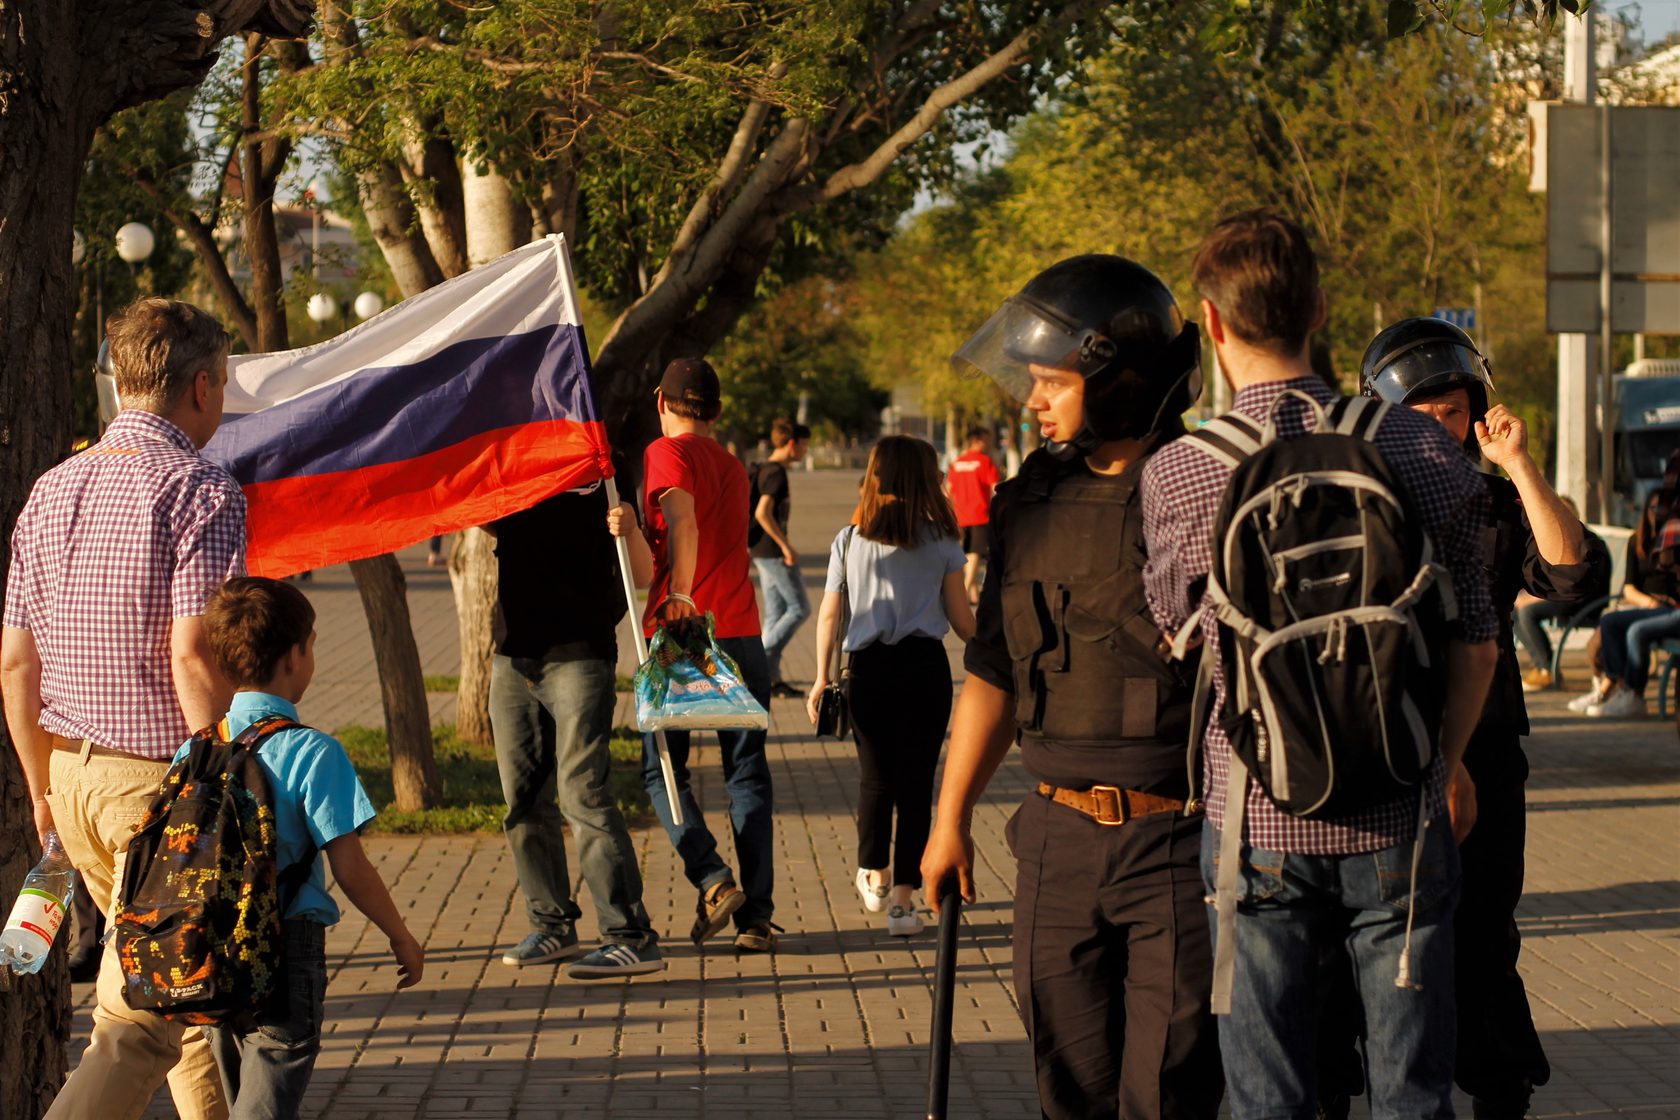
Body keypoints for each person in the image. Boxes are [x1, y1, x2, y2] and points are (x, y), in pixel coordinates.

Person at [1139, 211, 1498, 1119]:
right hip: (1401, 810)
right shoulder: (1419, 445)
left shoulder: (1182, 468)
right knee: (1411, 1093)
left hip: (1255, 813)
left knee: (1267, 1098)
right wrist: (1445, 761)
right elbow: (1480, 637)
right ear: (1322, 310)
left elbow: (1177, 631)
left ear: (1212, 326)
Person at [920, 255, 1221, 1119]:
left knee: (1166, 1091)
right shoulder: (1029, 503)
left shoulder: (1207, 498)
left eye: (1051, 381)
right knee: (1070, 1090)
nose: (1033, 400)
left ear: (1120, 382)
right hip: (1052, 843)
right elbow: (993, 674)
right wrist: (948, 825)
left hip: (1178, 846)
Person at [1349, 316, 1610, 1119]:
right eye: (1419, 412)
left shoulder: (1495, 503)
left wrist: (1521, 465)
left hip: (1487, 752)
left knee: (1483, 933)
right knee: (1364, 933)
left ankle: (1500, 1089)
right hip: (1375, 748)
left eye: (1454, 411)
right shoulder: (1349, 501)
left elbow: (1571, 574)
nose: (1439, 426)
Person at [2, 298, 243, 1120]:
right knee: (139, 1024)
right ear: (202, 387)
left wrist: (42, 786)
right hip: (159, 789)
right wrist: (223, 773)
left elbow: (14, 661)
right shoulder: (201, 488)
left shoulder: (53, 487)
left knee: (175, 996)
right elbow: (193, 651)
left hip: (72, 782)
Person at [188, 577, 423, 1118]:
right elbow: (350, 866)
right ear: (295, 656)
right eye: (313, 644)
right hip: (285, 942)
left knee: (241, 1087)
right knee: (271, 1083)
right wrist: (401, 935)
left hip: (210, 946)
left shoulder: (198, 747)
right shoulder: (314, 751)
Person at [483, 456, 666, 977]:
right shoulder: (510, 466)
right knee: (521, 801)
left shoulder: (600, 469)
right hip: (512, 656)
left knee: (583, 793)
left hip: (580, 656)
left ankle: (630, 935)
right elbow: (481, 517)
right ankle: (552, 924)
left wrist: (628, 528)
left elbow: (643, 573)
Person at [807, 437, 974, 937]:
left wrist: (820, 677)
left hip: (869, 669)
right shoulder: (944, 540)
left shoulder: (849, 539)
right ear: (926, 477)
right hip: (926, 669)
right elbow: (963, 621)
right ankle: (904, 904)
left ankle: (873, 874)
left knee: (875, 779)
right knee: (917, 784)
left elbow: (831, 614)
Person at [637, 357, 778, 952]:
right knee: (746, 774)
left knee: (661, 769)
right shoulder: (734, 467)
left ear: (660, 401)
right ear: (717, 412)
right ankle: (757, 920)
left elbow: (683, 522)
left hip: (687, 630)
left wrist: (680, 594)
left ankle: (714, 879)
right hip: (743, 629)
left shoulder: (665, 454)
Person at [1578, 489, 1680, 719]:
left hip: (1671, 608)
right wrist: (1650, 602)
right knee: (1610, 622)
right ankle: (1620, 686)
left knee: (1636, 631)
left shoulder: (1672, 542)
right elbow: (1629, 588)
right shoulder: (1638, 542)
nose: (1659, 514)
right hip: (1648, 605)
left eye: (1663, 509)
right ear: (1646, 511)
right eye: (1654, 509)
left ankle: (1632, 694)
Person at [750, 418, 812, 696]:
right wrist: (786, 546)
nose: (806, 451)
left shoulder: (763, 468)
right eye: (804, 445)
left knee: (775, 613)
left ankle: (770, 679)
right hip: (772, 553)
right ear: (792, 444)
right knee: (800, 608)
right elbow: (762, 513)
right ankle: (756, 662)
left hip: (760, 551)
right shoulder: (776, 473)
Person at [947, 425, 1002, 605]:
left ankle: (973, 595)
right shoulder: (984, 462)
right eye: (986, 440)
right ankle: (964, 589)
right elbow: (996, 488)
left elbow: (949, 490)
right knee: (975, 553)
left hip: (960, 515)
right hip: (980, 514)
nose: (988, 444)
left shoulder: (957, 463)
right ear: (977, 440)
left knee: (965, 554)